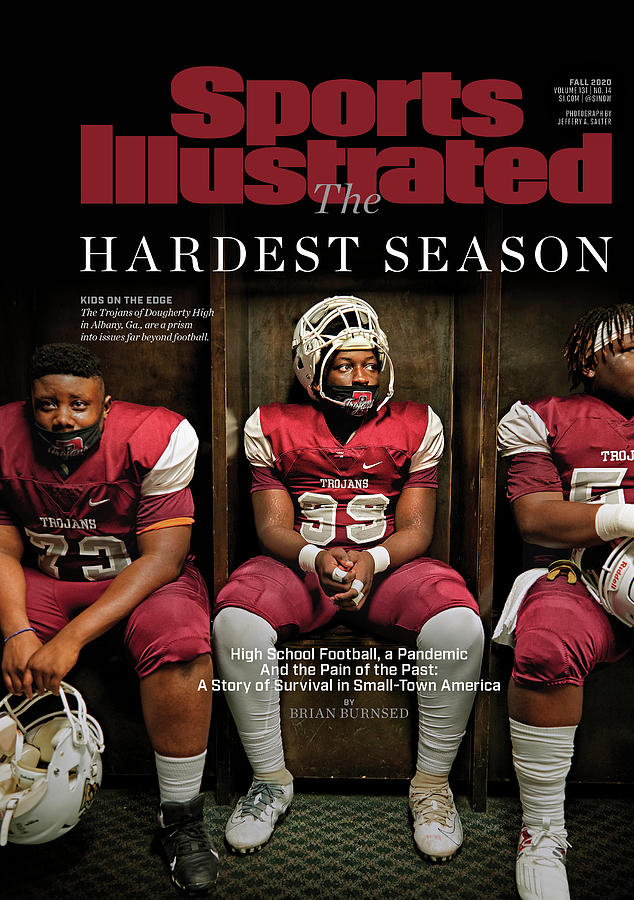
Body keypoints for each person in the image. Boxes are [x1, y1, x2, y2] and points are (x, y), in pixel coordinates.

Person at [213, 295, 484, 861]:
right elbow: (271, 526)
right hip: (302, 567)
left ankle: (432, 785)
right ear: (312, 369)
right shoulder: (271, 424)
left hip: (388, 565)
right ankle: (269, 779)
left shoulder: (417, 422)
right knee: (235, 620)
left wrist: (373, 560)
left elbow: (417, 528)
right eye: (344, 365)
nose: (362, 377)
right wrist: (316, 558)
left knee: (459, 625)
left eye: (370, 364)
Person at [496, 303, 634, 900]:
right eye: (631, 348)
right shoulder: (539, 417)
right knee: (545, 640)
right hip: (581, 574)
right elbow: (535, 518)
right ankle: (542, 829)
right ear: (589, 362)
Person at [0, 344, 218, 892]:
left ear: (106, 403)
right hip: (48, 575)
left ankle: (181, 815)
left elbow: (163, 559)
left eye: (79, 403)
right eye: (47, 404)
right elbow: (2, 548)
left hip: (138, 579)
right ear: (28, 405)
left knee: (180, 638)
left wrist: (70, 639)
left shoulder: (155, 435)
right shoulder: (3, 437)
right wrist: (17, 630)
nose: (63, 417)